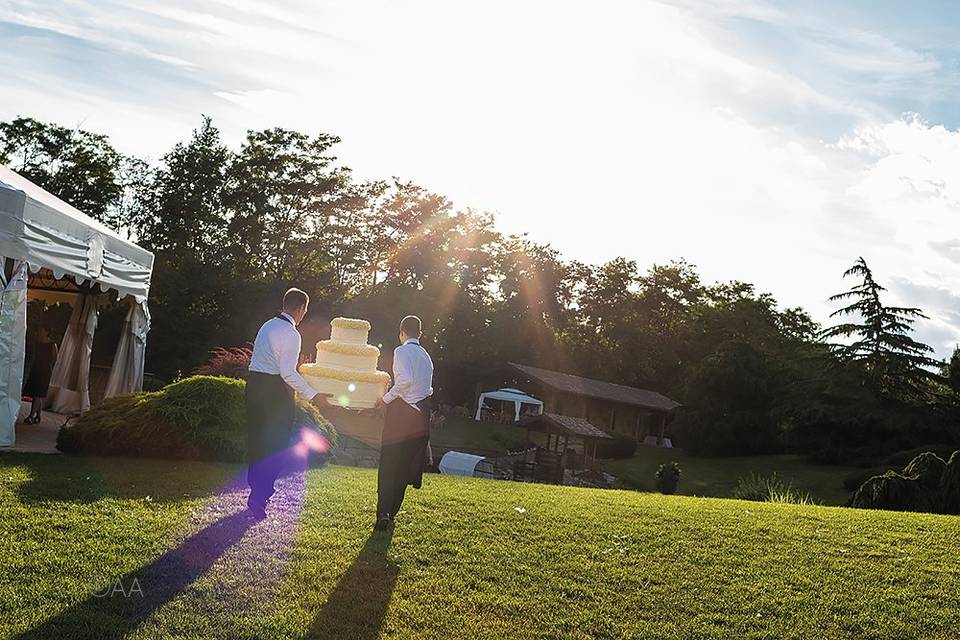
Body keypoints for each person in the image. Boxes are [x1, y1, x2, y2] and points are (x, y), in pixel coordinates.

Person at [246, 288, 326, 519]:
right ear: (301, 308)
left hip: (254, 386)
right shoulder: (291, 334)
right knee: (277, 445)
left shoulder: (267, 325)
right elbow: (287, 373)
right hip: (274, 391)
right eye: (305, 311)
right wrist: (313, 394)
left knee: (257, 440)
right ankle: (260, 497)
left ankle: (256, 493)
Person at [373, 315, 434, 531]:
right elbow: (426, 388)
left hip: (403, 416)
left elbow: (405, 380)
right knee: (403, 468)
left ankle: (383, 512)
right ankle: (392, 512)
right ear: (420, 333)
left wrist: (385, 399)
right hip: (421, 418)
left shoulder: (401, 351)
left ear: (401, 332)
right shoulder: (427, 356)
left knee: (389, 465)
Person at [22, 325, 58, 424]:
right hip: (36, 369)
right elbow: (34, 354)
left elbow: (55, 358)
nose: (40, 332)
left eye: (42, 330)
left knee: (38, 393)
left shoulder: (52, 344)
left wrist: (49, 365)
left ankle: (31, 416)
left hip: (45, 370)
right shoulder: (37, 343)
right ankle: (38, 415)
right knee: (36, 394)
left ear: (47, 332)